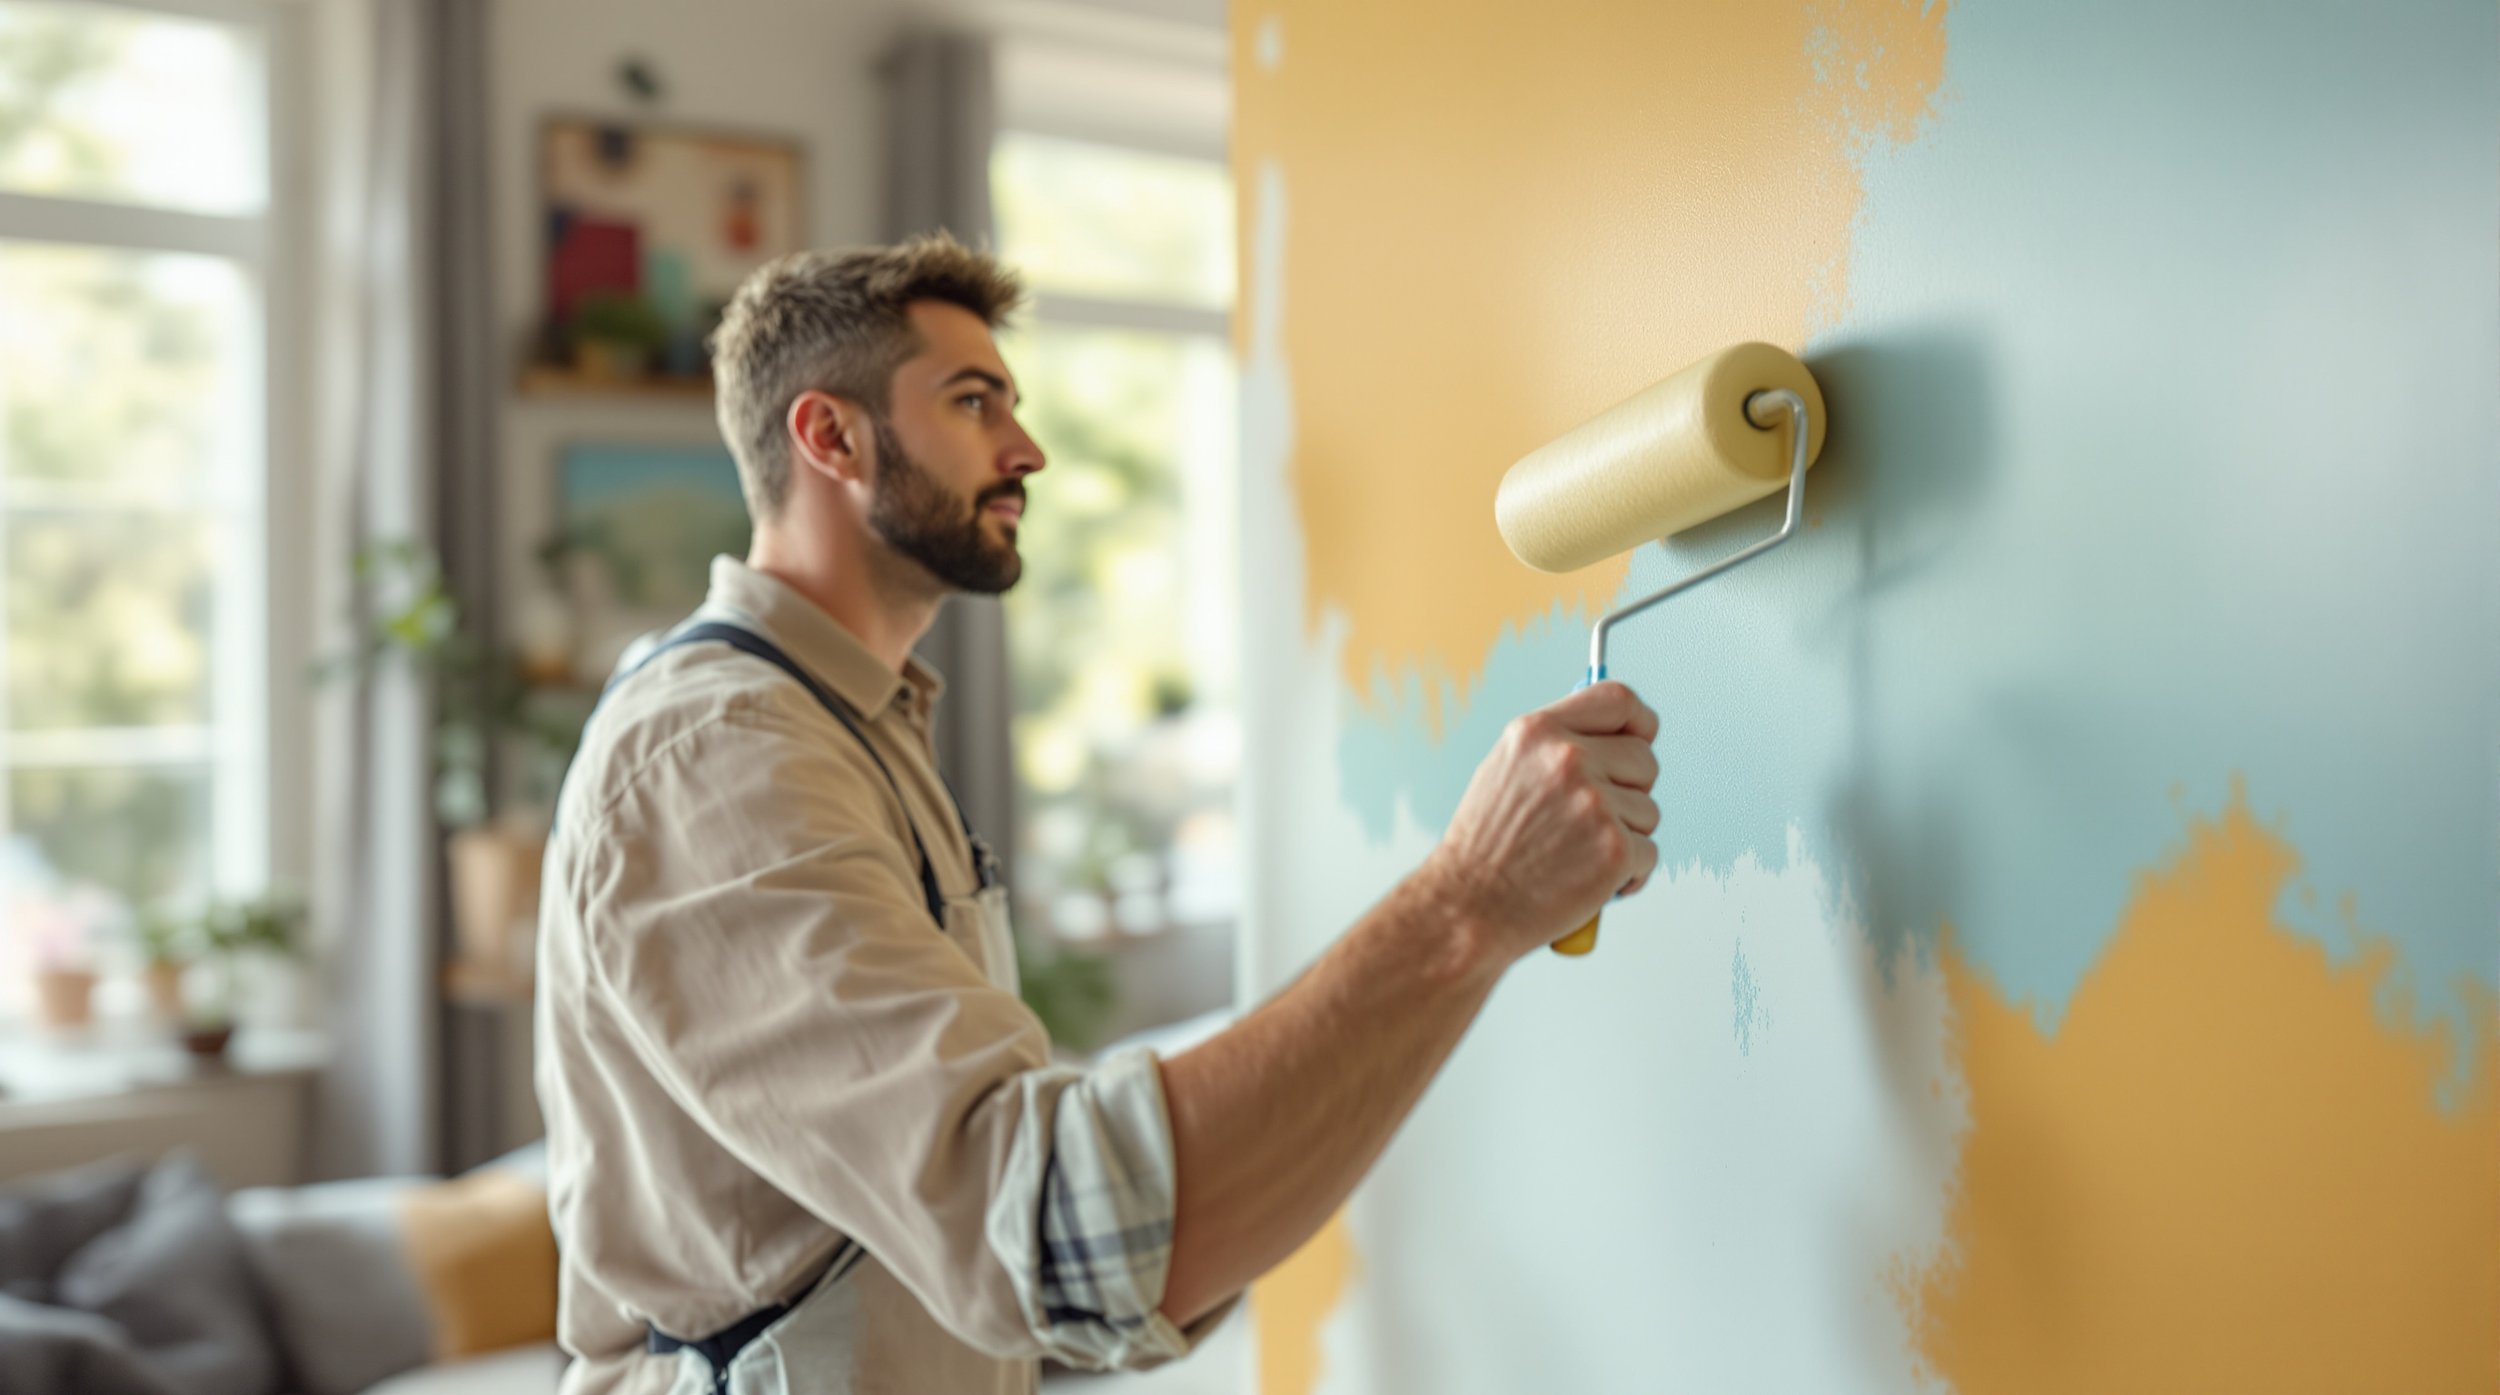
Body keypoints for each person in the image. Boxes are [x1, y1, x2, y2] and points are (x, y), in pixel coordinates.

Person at [534, 233, 1662, 1395]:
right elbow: (1048, 1235)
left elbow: (1051, 1235)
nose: (1027, 450)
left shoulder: (851, 726)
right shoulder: (720, 755)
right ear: (830, 437)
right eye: (972, 402)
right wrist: (1471, 900)